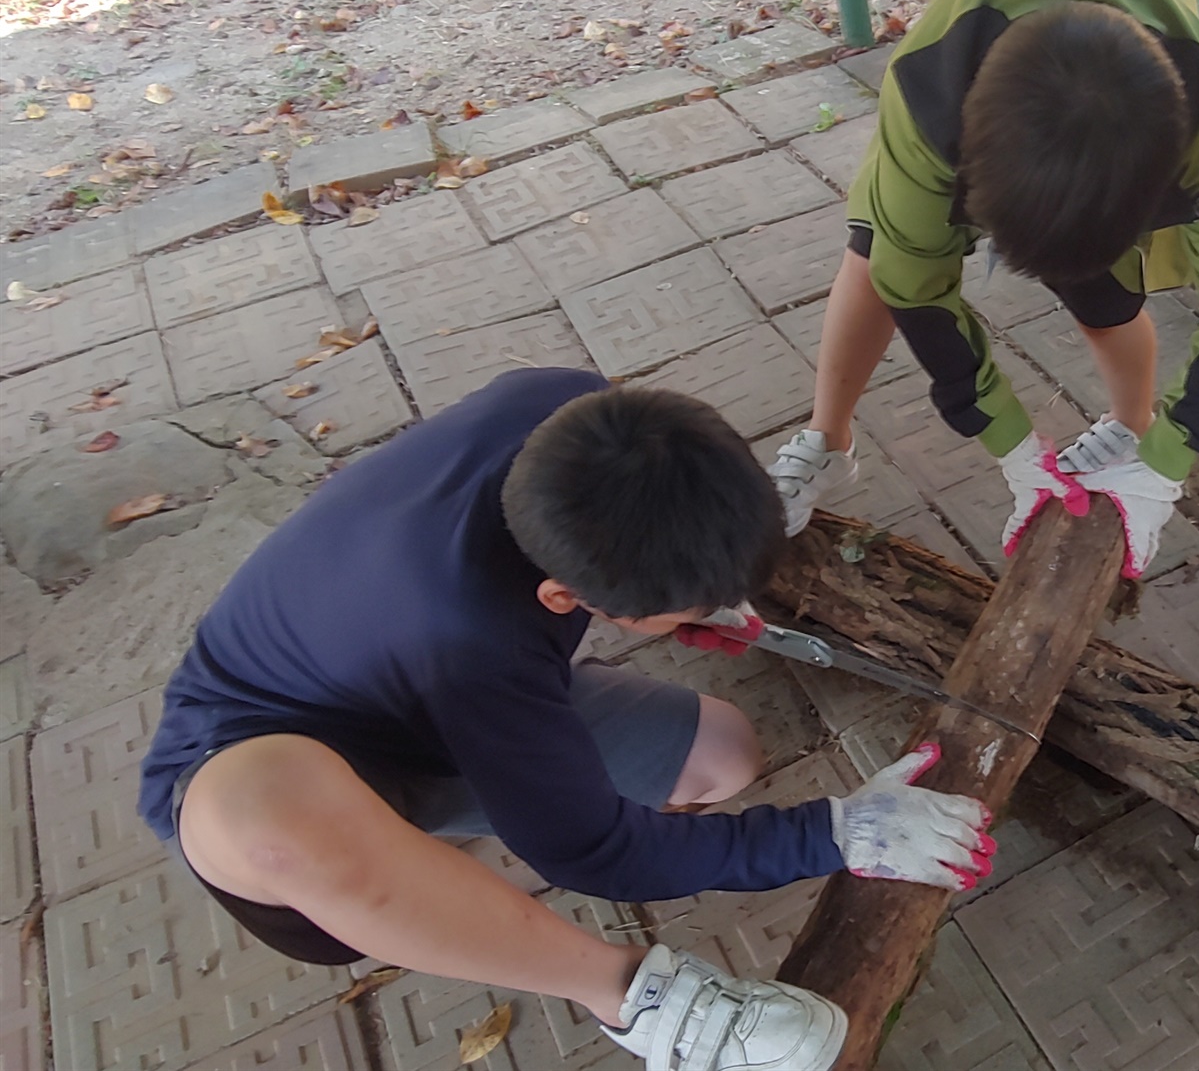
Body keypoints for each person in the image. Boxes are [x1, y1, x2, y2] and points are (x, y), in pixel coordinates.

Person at [137, 368, 997, 1071]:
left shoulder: (573, 410)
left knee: (723, 754)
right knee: (270, 815)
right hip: (254, 755)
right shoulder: (476, 644)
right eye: (688, 606)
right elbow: (593, 853)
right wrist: (834, 831)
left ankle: (460, 845)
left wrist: (681, 604)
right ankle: (634, 997)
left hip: (427, 691)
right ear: (564, 595)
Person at [769, 0, 1199, 578]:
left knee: (1105, 298)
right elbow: (916, 288)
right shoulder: (926, 96)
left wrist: (1166, 461)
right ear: (966, 171)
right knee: (875, 256)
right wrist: (1010, 441)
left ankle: (1132, 424)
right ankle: (827, 435)